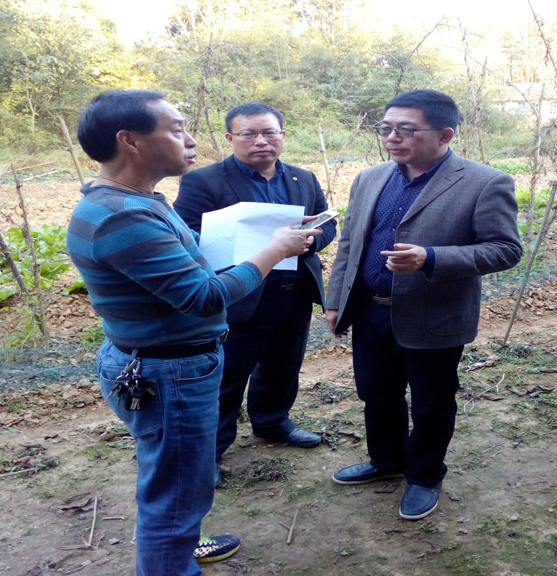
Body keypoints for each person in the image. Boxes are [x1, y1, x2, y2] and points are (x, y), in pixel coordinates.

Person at [66, 90, 321, 575]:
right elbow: (204, 296)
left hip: (160, 359)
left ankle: (179, 546)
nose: (191, 140)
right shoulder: (125, 216)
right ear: (130, 141)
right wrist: (273, 250)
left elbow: (189, 261)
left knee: (177, 480)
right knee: (177, 493)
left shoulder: (135, 200)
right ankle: (173, 556)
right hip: (169, 372)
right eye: (177, 128)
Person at [325, 89, 522, 520]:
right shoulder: (370, 178)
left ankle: (425, 475)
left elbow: (505, 249)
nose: (392, 138)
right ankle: (386, 460)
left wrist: (431, 258)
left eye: (406, 130)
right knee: (377, 394)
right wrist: (336, 299)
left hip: (435, 314)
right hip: (371, 311)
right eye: (386, 128)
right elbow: (351, 244)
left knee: (431, 403)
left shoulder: (484, 182)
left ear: (444, 134)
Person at [175, 102, 336, 484]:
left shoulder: (302, 178)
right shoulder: (205, 181)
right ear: (230, 138)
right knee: (227, 376)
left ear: (283, 135)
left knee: (284, 366)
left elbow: (326, 222)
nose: (260, 141)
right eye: (249, 134)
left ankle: (272, 421)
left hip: (294, 291)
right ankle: (211, 451)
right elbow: (187, 233)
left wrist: (311, 241)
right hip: (240, 294)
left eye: (269, 132)